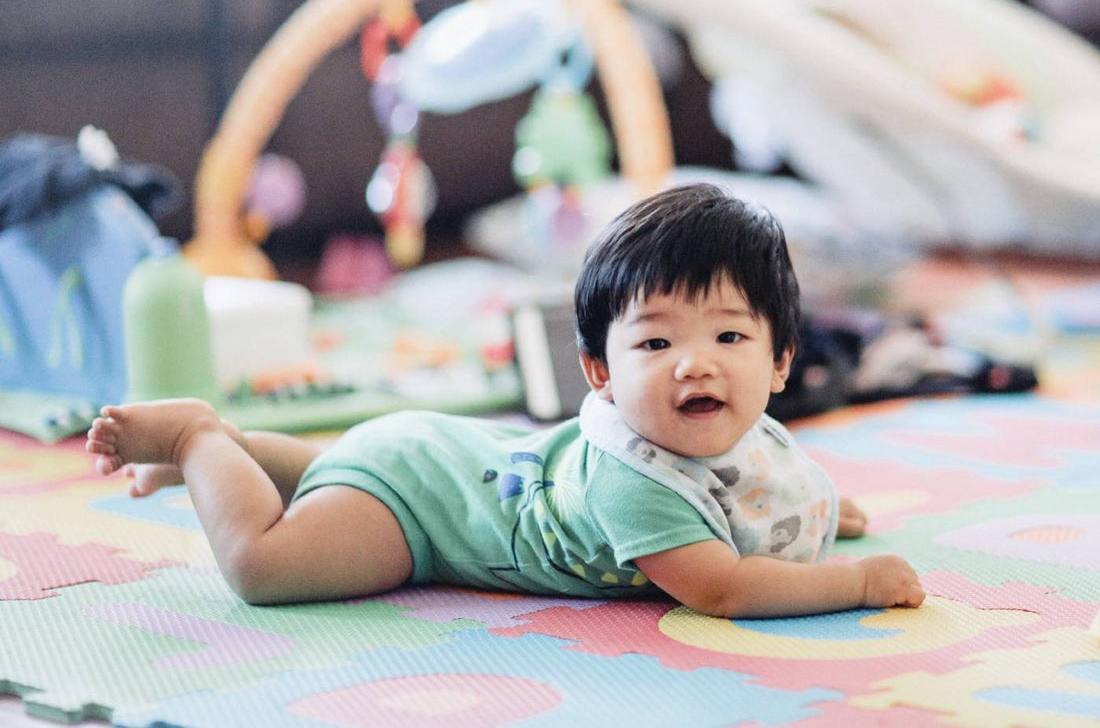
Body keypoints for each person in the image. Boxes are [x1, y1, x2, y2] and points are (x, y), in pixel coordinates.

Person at [86, 183, 925, 617]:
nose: (693, 368)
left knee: (337, 465)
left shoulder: (742, 425)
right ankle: (200, 438)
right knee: (268, 567)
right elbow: (726, 587)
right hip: (416, 511)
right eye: (657, 343)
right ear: (598, 371)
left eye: (730, 339)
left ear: (781, 361)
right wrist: (850, 583)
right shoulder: (634, 479)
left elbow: (758, 484)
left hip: (434, 452)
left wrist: (812, 510)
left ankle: (236, 449)